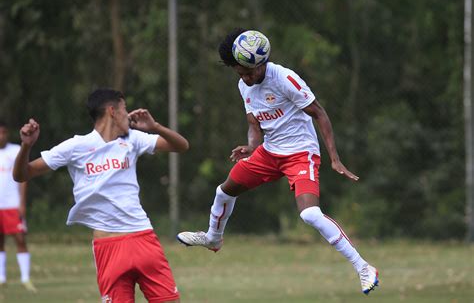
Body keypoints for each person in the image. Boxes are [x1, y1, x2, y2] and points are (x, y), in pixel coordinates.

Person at [177, 28, 379, 295]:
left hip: (300, 153)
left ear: (262, 64)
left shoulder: (285, 79)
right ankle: (213, 238)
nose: (246, 78)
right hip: (270, 153)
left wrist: (335, 158)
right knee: (223, 191)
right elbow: (254, 123)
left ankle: (364, 267)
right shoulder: (243, 85)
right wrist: (251, 146)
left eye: (249, 72)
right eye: (241, 73)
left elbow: (319, 113)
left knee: (309, 214)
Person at [13, 89, 188, 302]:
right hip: (108, 246)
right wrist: (26, 146)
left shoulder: (133, 139)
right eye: (124, 109)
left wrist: (156, 127)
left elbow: (181, 146)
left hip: (143, 238)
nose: (129, 114)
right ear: (112, 112)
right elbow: (22, 175)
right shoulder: (75, 146)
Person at [0, 121, 36, 292]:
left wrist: (22, 202)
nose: (1, 136)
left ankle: (25, 278)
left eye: (4, 132)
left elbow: (22, 179)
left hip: (12, 204)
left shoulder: (15, 151)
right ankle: (1, 277)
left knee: (20, 239)